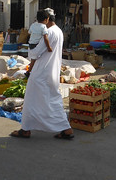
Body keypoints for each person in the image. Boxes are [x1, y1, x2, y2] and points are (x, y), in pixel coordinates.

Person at [10, 8, 74, 140]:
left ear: (46, 19)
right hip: (52, 72)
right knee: (53, 100)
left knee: (31, 100)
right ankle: (66, 128)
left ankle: (26, 129)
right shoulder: (59, 31)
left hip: (41, 72)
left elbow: (35, 52)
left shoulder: (49, 32)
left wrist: (31, 49)